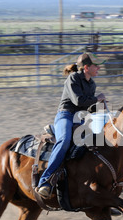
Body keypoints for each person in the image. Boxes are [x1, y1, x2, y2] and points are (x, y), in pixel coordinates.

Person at [36, 52, 106, 198]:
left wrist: (99, 106)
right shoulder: (73, 78)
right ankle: (45, 181)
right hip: (65, 115)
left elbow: (87, 107)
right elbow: (78, 101)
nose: (99, 68)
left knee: (96, 144)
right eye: (96, 65)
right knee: (65, 141)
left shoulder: (91, 84)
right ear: (86, 67)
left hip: (79, 119)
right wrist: (97, 98)